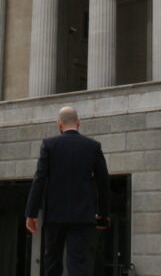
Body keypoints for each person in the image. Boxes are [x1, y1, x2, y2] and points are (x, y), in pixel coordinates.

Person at [25, 106, 109, 276]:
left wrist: (31, 213)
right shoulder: (93, 146)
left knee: (52, 263)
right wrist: (102, 214)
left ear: (60, 124)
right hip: (82, 215)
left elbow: (39, 179)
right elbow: (103, 182)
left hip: (54, 215)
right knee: (78, 263)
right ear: (78, 123)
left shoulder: (49, 145)